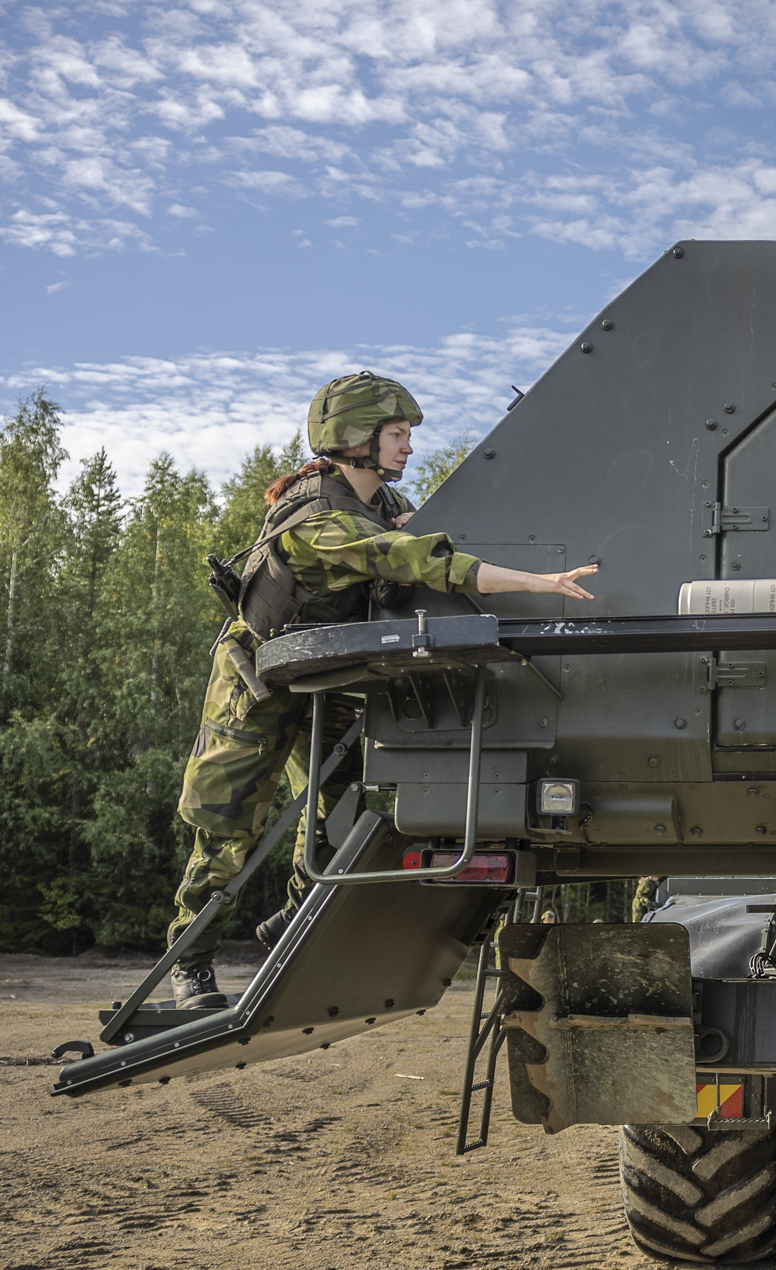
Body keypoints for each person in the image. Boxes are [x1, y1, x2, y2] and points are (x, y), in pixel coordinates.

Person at [163, 371, 600, 1009]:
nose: (409, 447)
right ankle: (190, 963)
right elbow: (417, 560)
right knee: (225, 830)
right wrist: (541, 582)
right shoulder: (317, 517)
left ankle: (292, 920)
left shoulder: (377, 505)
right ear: (355, 440)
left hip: (324, 676)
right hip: (256, 681)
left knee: (344, 815)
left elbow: (432, 525)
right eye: (397, 434)